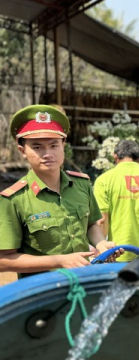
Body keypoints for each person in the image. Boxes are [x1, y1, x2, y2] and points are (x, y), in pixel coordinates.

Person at [0, 104, 119, 278]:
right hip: (43, 293)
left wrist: (101, 244)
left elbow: (92, 223)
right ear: (22, 151)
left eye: (54, 145)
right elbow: (4, 260)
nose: (47, 154)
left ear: (63, 144)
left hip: (83, 282)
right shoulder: (13, 199)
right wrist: (59, 261)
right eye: (37, 147)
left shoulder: (82, 184)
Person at [93, 139, 139, 262]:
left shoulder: (104, 180)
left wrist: (103, 248)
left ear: (115, 156)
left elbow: (102, 219)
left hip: (118, 252)